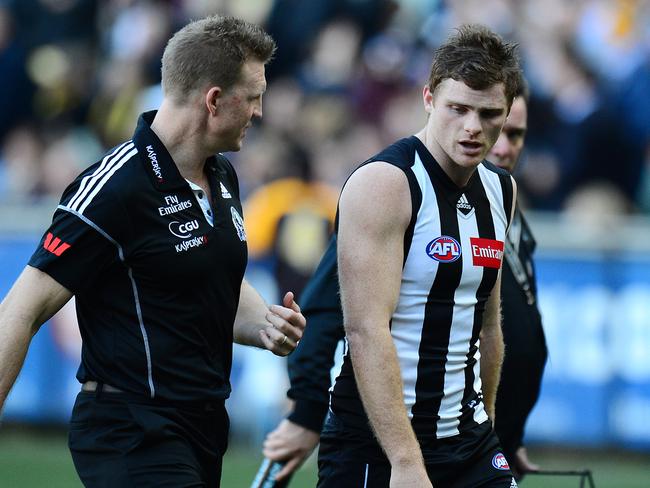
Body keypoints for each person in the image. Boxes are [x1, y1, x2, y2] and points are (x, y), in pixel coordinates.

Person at [0, 15, 306, 488]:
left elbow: (210, 279)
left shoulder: (222, 175)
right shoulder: (114, 187)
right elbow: (20, 310)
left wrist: (265, 324)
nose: (260, 112)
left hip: (201, 426)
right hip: (129, 427)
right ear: (214, 100)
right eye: (254, 97)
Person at [266, 24, 521, 487]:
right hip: (377, 446)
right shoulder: (385, 183)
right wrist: (405, 462)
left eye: (489, 114)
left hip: (469, 440)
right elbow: (365, 330)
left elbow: (488, 322)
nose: (472, 127)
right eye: (457, 109)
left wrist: (489, 424)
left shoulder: (500, 189)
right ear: (428, 100)